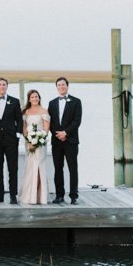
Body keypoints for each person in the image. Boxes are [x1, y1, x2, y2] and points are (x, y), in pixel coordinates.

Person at [0, 76, 22, 204]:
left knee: (13, 168)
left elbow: (20, 119)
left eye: (4, 84)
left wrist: (18, 134)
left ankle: (13, 195)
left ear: (7, 86)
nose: (2, 86)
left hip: (11, 140)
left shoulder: (15, 101)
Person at [50, 75, 82, 204]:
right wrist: (57, 134)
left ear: (67, 86)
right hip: (56, 141)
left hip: (71, 140)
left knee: (72, 168)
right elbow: (50, 122)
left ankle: (73, 196)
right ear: (56, 87)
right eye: (59, 85)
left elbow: (77, 121)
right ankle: (59, 195)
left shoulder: (76, 101)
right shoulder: (52, 103)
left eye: (63, 84)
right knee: (58, 168)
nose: (61, 87)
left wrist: (66, 133)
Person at [19, 89, 52, 206]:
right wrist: (28, 140)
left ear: (39, 97)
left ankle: (40, 197)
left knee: (39, 166)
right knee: (30, 167)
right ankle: (30, 196)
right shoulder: (25, 112)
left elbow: (46, 129)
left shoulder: (44, 111)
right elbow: (24, 128)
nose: (34, 99)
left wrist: (37, 140)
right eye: (32, 97)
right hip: (28, 143)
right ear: (29, 99)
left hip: (40, 143)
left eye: (36, 96)